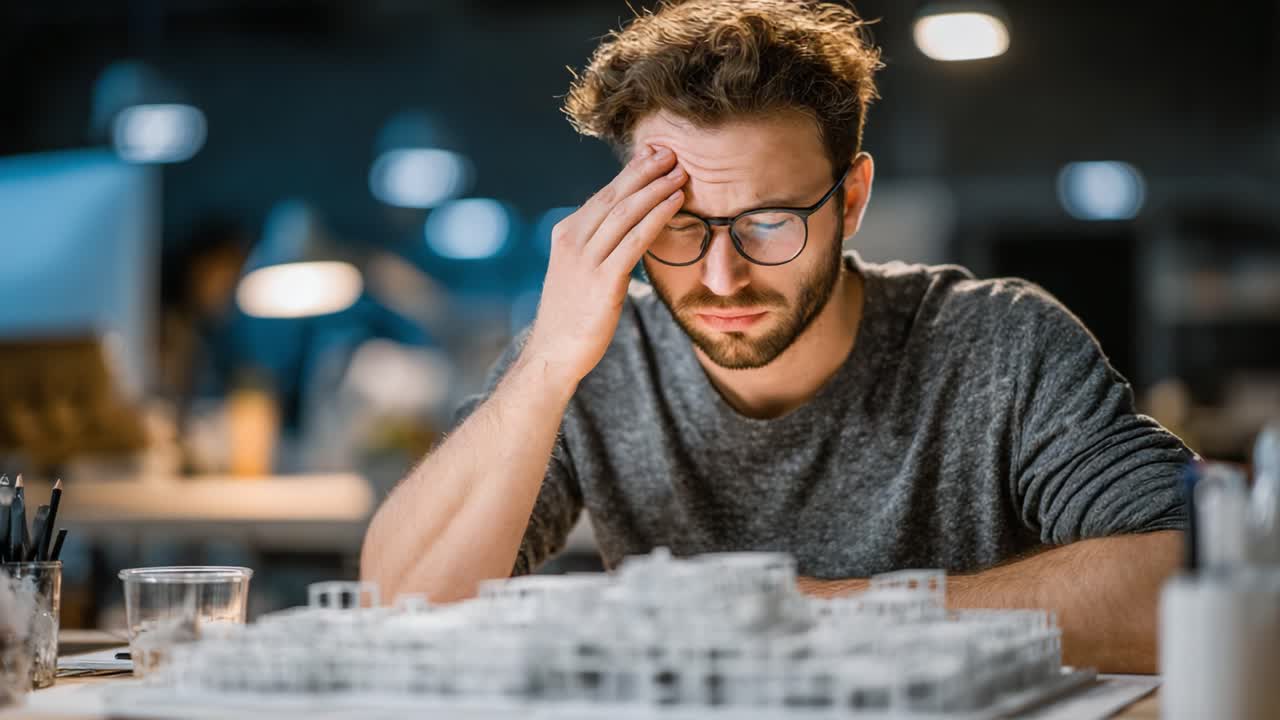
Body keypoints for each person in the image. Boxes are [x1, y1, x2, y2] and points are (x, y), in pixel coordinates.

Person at [362, 0, 1191, 673]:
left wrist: (794, 611)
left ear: (852, 198)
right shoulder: (589, 356)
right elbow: (395, 611)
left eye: (768, 223)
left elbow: (1197, 579)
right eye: (678, 226)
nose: (721, 278)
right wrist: (545, 364)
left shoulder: (1001, 344)